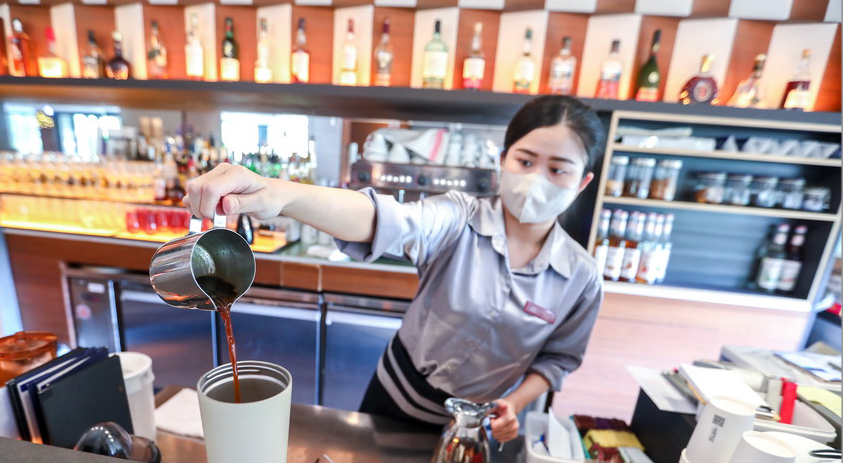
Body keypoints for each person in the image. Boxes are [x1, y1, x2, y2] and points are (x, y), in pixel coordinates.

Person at [184, 95, 606, 443]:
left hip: (474, 426)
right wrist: (282, 193)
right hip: (395, 396)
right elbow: (386, 219)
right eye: (526, 161)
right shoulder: (460, 217)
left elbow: (558, 359)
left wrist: (513, 403)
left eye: (557, 169)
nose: (537, 180)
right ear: (502, 160)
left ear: (583, 181)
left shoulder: (582, 277)